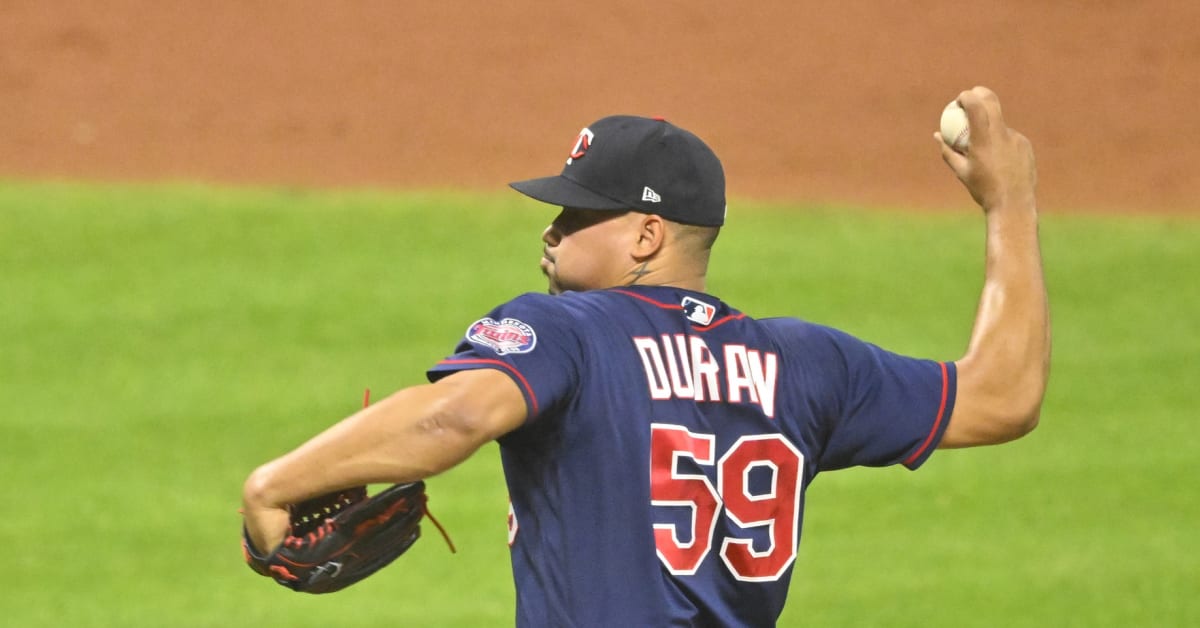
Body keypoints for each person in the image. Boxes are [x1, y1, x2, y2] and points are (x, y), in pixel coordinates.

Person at [242, 86, 1049, 626]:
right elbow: (1002, 396)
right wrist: (1009, 201)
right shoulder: (806, 364)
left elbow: (459, 412)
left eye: (575, 214)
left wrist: (275, 484)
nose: (550, 231)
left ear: (646, 236)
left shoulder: (570, 332)